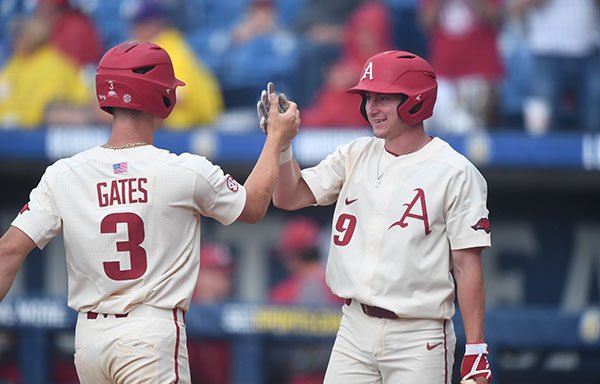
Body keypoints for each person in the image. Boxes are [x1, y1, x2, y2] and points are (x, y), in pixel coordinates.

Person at [0, 40, 300, 383]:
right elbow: (253, 206)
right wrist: (276, 138)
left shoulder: (63, 174)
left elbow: (8, 250)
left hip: (88, 340)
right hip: (149, 334)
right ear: (160, 97)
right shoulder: (183, 170)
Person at [265, 50, 493, 383]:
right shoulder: (355, 153)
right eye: (369, 98)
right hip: (354, 326)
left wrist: (476, 347)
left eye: (383, 98)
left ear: (416, 101)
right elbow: (287, 196)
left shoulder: (455, 171)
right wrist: (282, 145)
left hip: (419, 335)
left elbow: (466, 264)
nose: (372, 108)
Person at [510, 0, 600, 133]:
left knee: (593, 121)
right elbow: (517, 7)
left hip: (588, 52)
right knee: (541, 127)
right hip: (546, 53)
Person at [420, 0, 504, 133]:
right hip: (444, 69)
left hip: (478, 69)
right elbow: (426, 22)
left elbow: (494, 18)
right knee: (443, 131)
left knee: (474, 131)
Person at [268, 217, 343, 384]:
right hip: (342, 375)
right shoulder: (342, 287)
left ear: (290, 256)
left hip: (300, 377)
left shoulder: (282, 293)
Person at [129, 0, 224, 129]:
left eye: (144, 23)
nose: (137, 29)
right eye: (135, 24)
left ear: (158, 23)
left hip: (193, 126)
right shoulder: (137, 48)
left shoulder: (173, 47)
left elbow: (178, 96)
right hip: (167, 125)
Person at [301, 0, 393, 127]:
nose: (364, 38)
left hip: (363, 116)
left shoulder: (389, 59)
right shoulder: (351, 54)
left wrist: (357, 76)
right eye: (360, 32)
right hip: (335, 116)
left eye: (370, 33)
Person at [0, 16, 92, 127]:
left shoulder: (54, 65)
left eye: (20, 36)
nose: (15, 40)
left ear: (33, 37)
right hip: (19, 126)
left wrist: (19, 120)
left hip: (58, 126)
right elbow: (4, 94)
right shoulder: (15, 63)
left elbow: (43, 106)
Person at [189, 242, 236, 384]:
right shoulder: (181, 312)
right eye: (212, 274)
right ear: (196, 275)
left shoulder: (233, 314)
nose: (220, 284)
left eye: (225, 277)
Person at [28, 0, 103, 67]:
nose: (38, 9)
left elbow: (65, 68)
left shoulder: (74, 29)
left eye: (41, 2)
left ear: (52, 5)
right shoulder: (58, 26)